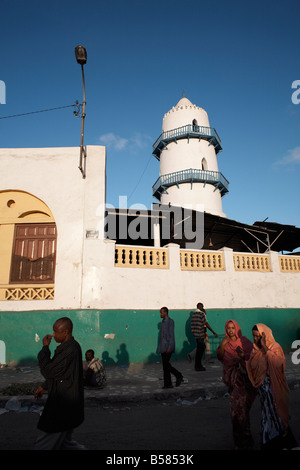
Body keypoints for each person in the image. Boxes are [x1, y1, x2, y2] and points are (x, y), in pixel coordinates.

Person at [34, 317, 85, 450]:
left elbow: (49, 371)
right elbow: (59, 372)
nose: (53, 335)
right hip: (65, 401)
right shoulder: (66, 347)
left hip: (63, 403)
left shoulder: (70, 350)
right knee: (65, 443)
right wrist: (44, 386)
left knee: (44, 443)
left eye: (56, 332)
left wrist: (45, 348)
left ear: (66, 332)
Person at [246, 323, 298, 450]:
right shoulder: (255, 350)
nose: (255, 339)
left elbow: (278, 364)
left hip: (275, 390)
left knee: (276, 416)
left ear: (265, 335)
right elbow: (252, 367)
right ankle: (278, 442)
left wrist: (264, 346)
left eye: (258, 336)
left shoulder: (275, 347)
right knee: (269, 417)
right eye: (254, 336)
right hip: (264, 393)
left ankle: (271, 442)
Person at [217, 319, 257, 450]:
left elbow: (252, 359)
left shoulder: (244, 342)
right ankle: (240, 441)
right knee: (236, 412)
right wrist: (223, 345)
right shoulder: (225, 343)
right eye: (228, 328)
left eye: (232, 328)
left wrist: (242, 356)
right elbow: (220, 357)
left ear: (237, 329)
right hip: (233, 384)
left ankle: (246, 439)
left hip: (246, 384)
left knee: (244, 411)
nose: (230, 330)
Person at [157, 306, 184, 388]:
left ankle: (178, 375)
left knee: (166, 365)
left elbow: (171, 335)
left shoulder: (170, 321)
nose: (160, 314)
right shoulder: (163, 322)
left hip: (168, 347)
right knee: (165, 366)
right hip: (163, 347)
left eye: (162, 312)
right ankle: (168, 384)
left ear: (166, 313)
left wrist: (170, 347)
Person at [190, 302, 218, 371]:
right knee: (201, 350)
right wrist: (213, 332)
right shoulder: (201, 314)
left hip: (196, 335)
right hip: (200, 335)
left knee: (200, 349)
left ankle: (198, 366)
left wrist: (194, 333)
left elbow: (192, 326)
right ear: (201, 307)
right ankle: (198, 366)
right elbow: (206, 324)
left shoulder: (193, 315)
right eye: (202, 307)